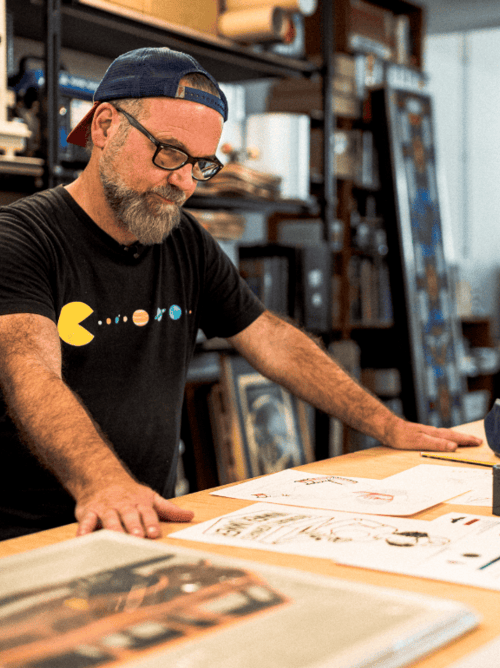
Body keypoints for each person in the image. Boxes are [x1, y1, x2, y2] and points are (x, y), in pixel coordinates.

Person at [0, 47, 481, 542]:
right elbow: (30, 374)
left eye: (201, 165)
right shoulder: (21, 239)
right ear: (105, 127)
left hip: (142, 523)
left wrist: (385, 424)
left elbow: (272, 339)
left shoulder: (184, 240)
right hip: (34, 536)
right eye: (169, 152)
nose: (184, 182)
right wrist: (104, 483)